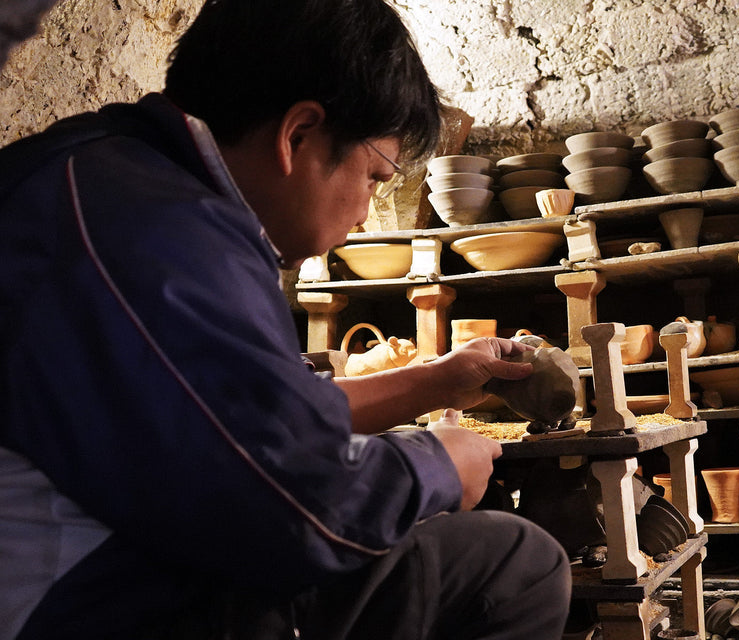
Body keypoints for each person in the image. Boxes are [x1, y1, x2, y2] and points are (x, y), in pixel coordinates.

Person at [0, 0, 571, 638]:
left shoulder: (125, 180)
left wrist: (439, 381)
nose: (366, 211)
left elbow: (239, 419)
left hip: (135, 551)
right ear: (297, 134)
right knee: (518, 565)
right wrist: (435, 466)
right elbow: (301, 508)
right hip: (99, 604)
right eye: (374, 177)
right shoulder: (157, 230)